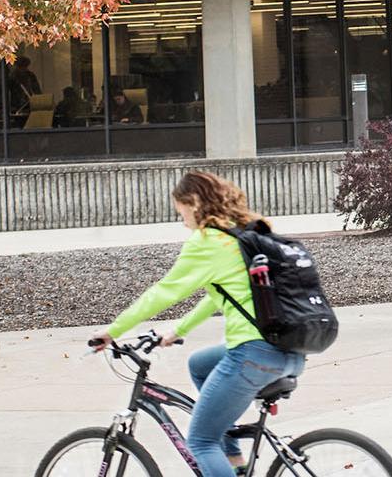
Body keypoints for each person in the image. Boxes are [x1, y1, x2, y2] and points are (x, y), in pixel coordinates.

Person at [88, 171, 304, 477]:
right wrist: (178, 331)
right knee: (200, 364)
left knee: (201, 441)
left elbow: (164, 292)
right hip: (290, 350)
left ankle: (222, 455)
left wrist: (111, 332)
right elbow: (220, 297)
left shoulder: (207, 241)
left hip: (255, 355)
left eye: (181, 212)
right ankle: (233, 462)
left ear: (194, 203)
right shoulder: (242, 234)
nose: (182, 221)